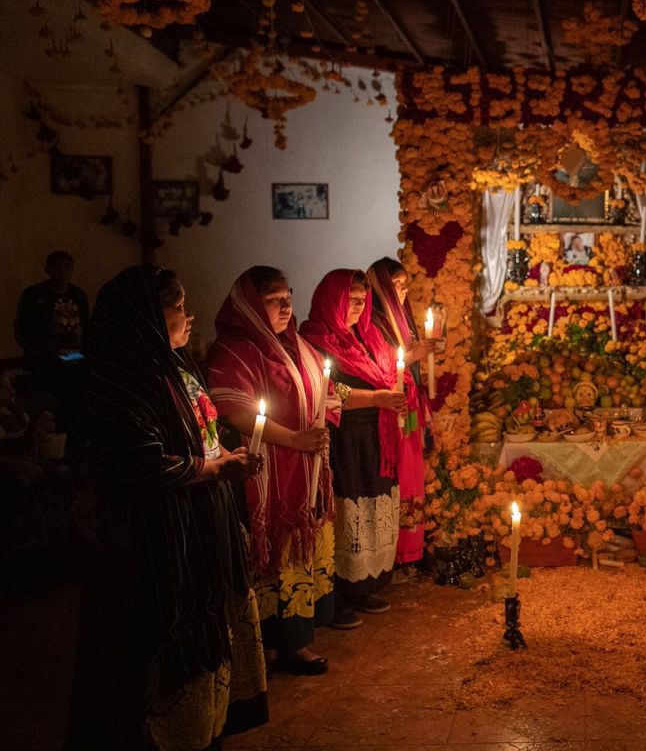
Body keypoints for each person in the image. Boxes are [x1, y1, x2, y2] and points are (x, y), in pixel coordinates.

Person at [67, 266, 267, 748]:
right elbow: (142, 462)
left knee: (208, 629)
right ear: (147, 318)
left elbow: (201, 435)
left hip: (198, 522)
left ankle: (204, 728)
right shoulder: (122, 382)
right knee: (159, 645)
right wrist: (216, 468)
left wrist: (224, 457)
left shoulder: (175, 366)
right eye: (179, 307)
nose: (190, 315)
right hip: (156, 537)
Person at [207, 266, 341, 674]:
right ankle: (263, 644)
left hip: (303, 467)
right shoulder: (235, 349)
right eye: (273, 300)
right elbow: (239, 410)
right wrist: (296, 439)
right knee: (267, 555)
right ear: (249, 305)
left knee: (295, 557)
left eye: (288, 296)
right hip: (265, 471)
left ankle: (294, 642)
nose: (286, 306)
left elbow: (327, 391)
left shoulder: (296, 344)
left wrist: (328, 414)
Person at [300, 270, 414, 627]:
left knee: (371, 510)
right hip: (344, 437)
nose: (357, 306)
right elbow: (331, 390)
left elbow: (392, 373)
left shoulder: (369, 335)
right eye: (350, 299)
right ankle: (337, 595)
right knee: (347, 511)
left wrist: (398, 389)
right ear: (330, 299)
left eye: (362, 300)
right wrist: (380, 397)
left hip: (376, 437)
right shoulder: (314, 338)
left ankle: (363, 585)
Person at [366, 258, 435, 564]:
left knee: (412, 478)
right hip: (390, 413)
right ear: (380, 287)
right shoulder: (374, 321)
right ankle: (394, 551)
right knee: (400, 479)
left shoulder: (401, 319)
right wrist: (411, 356)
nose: (403, 291)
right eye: (396, 285)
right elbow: (378, 367)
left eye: (406, 285)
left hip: (410, 408)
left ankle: (410, 548)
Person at [14, 250, 89, 425]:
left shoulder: (78, 295)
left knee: (74, 403)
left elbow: (86, 324)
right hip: (45, 365)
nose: (62, 271)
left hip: (75, 361)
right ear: (47, 268)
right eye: (57, 266)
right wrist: (40, 355)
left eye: (66, 267)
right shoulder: (34, 295)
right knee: (48, 406)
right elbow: (22, 329)